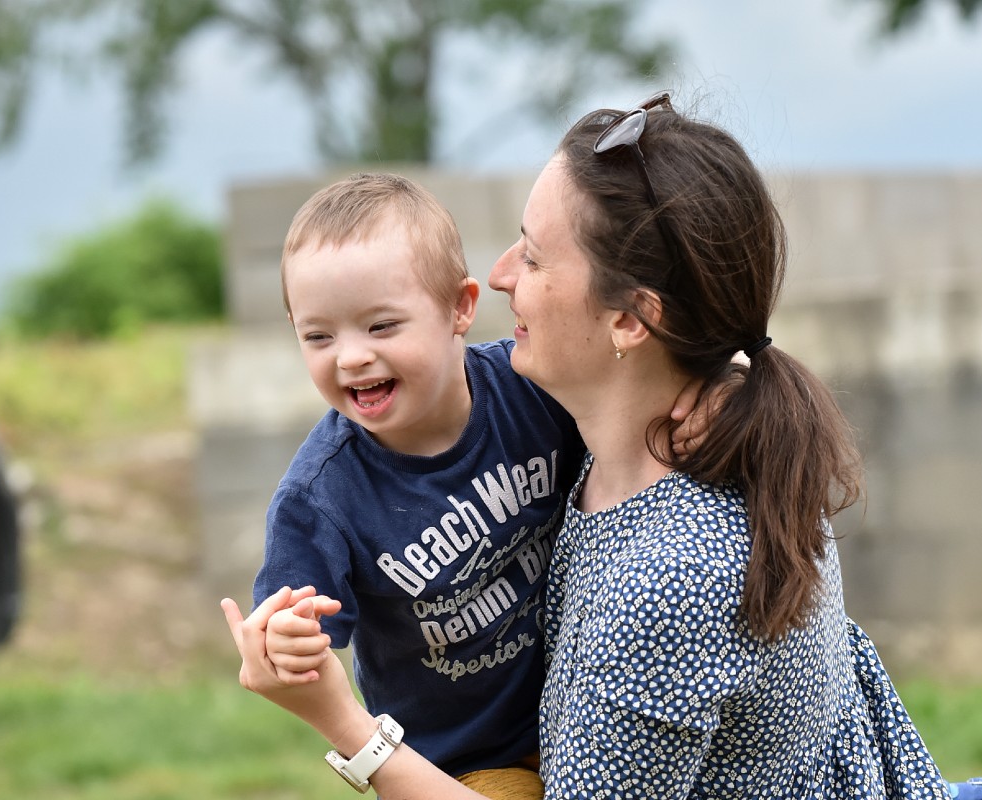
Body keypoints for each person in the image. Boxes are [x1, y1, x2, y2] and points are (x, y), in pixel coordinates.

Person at [224, 94, 951, 798]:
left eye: (534, 258)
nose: (502, 276)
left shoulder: (669, 576)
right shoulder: (687, 443)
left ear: (633, 320)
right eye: (318, 335)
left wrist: (346, 727)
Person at [246, 172, 699, 798]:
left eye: (380, 326)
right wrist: (284, 639)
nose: (349, 357)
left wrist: (719, 384)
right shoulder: (322, 497)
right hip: (464, 763)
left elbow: (638, 397)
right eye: (318, 336)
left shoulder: (530, 391)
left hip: (580, 706)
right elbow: (294, 622)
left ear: (460, 308)